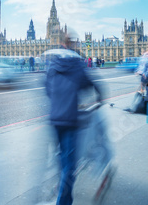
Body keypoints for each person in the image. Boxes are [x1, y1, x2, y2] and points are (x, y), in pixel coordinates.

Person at [45, 31, 102, 205]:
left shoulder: (53, 65)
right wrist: (99, 98)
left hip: (55, 118)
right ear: (74, 45)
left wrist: (58, 100)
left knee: (61, 157)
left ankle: (65, 194)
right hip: (70, 118)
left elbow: (47, 89)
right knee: (70, 164)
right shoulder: (77, 64)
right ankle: (62, 200)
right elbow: (91, 84)